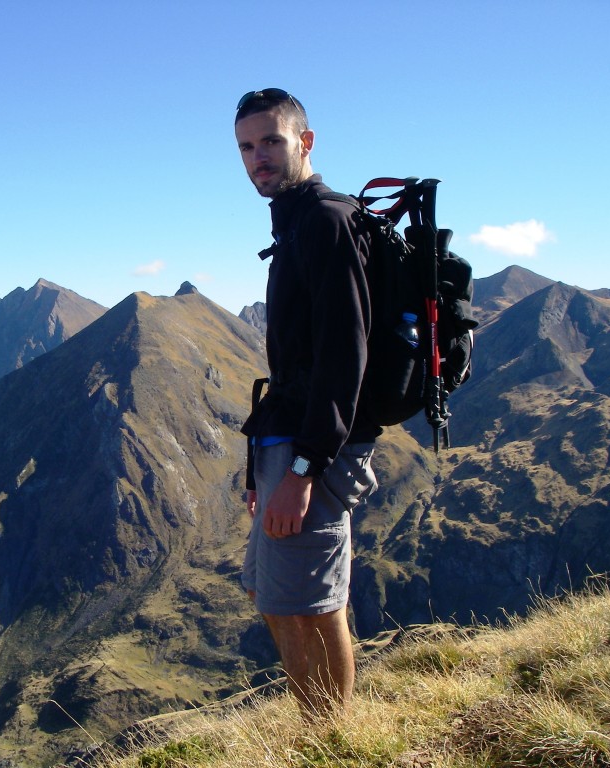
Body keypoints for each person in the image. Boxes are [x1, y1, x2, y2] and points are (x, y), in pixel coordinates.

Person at [235, 88, 380, 715]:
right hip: (287, 440)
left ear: (306, 141)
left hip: (313, 449)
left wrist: (302, 470)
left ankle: (330, 741)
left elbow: (345, 357)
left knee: (309, 606)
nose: (258, 157)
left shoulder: (325, 221)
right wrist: (263, 472)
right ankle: (323, 733)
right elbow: (299, 362)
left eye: (271, 141)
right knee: (279, 598)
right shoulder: (295, 222)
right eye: (246, 147)